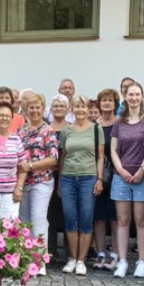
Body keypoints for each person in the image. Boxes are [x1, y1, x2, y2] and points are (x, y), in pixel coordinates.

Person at [110, 81, 144, 279]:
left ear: (142, 96)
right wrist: (120, 169)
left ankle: (142, 261)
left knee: (141, 220)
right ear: (126, 97)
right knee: (122, 220)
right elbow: (113, 149)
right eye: (130, 94)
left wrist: (142, 169)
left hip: (143, 176)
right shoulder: (119, 123)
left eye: (137, 94)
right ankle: (122, 260)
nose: (134, 98)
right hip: (121, 177)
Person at [59, 94, 104, 275]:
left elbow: (101, 157)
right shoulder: (66, 131)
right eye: (77, 106)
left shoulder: (95, 129)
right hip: (68, 178)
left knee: (86, 219)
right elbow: (63, 157)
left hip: (88, 178)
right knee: (70, 220)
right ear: (72, 108)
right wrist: (59, 184)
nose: (80, 110)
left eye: (83, 106)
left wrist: (99, 179)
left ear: (88, 109)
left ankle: (81, 260)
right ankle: (72, 258)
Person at [18, 92, 59, 254]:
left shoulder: (48, 130)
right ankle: (26, 256)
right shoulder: (21, 131)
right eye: (31, 108)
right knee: (24, 220)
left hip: (42, 180)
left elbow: (53, 158)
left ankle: (40, 257)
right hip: (23, 181)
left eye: (37, 107)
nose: (34, 111)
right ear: (26, 110)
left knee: (38, 217)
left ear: (42, 109)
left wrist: (30, 165)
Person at [92, 89, 121, 272]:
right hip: (97, 175)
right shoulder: (93, 125)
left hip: (117, 175)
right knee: (99, 217)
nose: (107, 104)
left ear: (115, 104)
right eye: (104, 101)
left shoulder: (120, 124)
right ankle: (100, 252)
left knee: (116, 217)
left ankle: (116, 254)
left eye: (110, 101)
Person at [47, 94, 71, 257]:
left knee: (68, 213)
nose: (58, 109)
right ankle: (50, 250)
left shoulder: (72, 127)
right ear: (50, 109)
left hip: (68, 175)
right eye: (55, 106)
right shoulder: (46, 128)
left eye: (62, 106)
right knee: (49, 214)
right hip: (48, 175)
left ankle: (70, 252)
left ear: (68, 109)